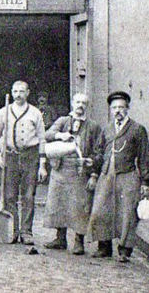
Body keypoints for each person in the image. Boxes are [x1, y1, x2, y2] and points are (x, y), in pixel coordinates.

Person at [88, 91, 149, 262]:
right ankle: (104, 247)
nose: (118, 111)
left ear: (127, 109)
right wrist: (93, 169)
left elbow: (145, 155)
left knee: (127, 213)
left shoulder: (137, 129)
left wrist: (145, 181)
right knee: (101, 211)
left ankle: (125, 250)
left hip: (128, 174)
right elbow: (99, 152)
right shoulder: (107, 129)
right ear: (110, 110)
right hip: (106, 174)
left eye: (121, 107)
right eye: (114, 107)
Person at [43, 92, 105, 255]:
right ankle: (60, 238)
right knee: (58, 203)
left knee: (80, 207)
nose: (80, 106)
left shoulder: (93, 126)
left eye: (83, 103)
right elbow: (47, 134)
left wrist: (92, 170)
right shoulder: (62, 121)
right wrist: (60, 135)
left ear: (87, 106)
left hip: (80, 172)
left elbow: (99, 151)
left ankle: (79, 241)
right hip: (60, 170)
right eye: (77, 102)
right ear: (72, 103)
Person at [0, 80, 48, 245]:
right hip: (10, 156)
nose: (18, 95)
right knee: (9, 196)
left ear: (28, 93)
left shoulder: (35, 113)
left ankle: (26, 232)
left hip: (30, 156)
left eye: (21, 91)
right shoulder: (3, 112)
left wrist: (42, 164)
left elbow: (42, 139)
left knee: (28, 196)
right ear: (11, 92)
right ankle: (12, 231)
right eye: (15, 91)